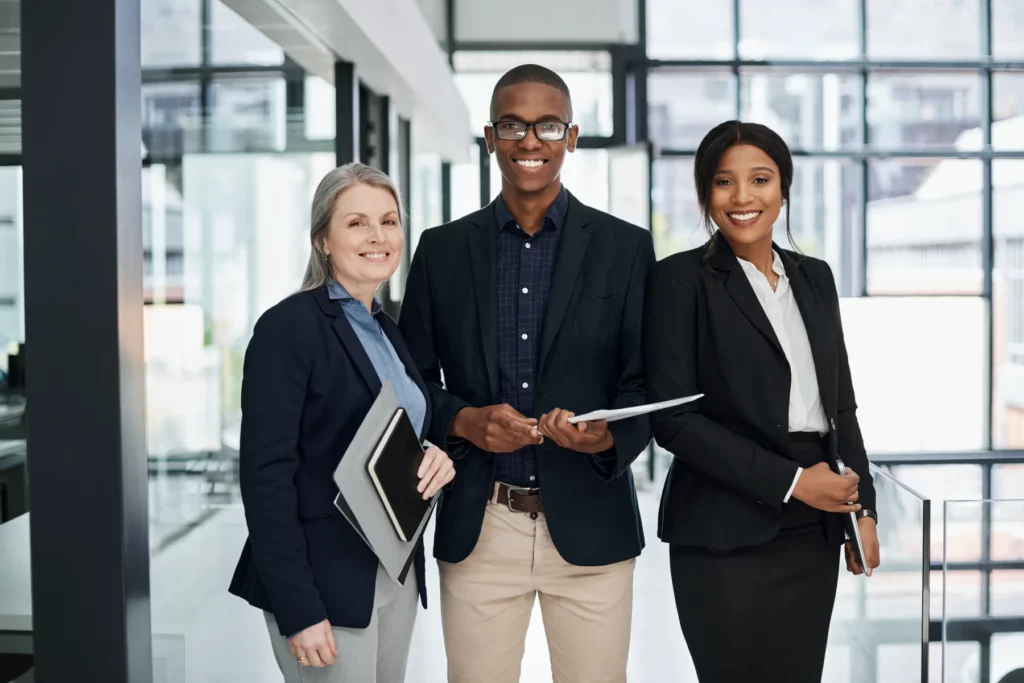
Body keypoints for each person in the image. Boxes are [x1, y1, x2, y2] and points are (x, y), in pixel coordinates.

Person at [398, 65, 655, 683]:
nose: (529, 141)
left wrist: (607, 439)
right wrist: (464, 419)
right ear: (490, 137)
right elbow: (406, 383)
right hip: (481, 524)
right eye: (512, 125)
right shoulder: (440, 250)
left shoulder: (626, 248)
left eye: (547, 125)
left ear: (572, 137)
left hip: (591, 527)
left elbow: (648, 384)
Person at [642, 120, 882, 683]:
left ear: (784, 188)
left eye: (760, 179)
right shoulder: (680, 281)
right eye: (724, 183)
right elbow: (674, 421)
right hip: (722, 533)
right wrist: (795, 481)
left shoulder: (814, 278)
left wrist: (862, 509)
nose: (743, 197)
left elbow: (840, 407)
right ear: (706, 194)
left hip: (813, 531)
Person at [228, 162, 455, 683]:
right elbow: (266, 478)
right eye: (357, 223)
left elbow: (399, 433)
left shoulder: (384, 328)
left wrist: (435, 453)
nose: (378, 236)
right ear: (322, 241)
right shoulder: (289, 328)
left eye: (389, 221)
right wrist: (298, 607)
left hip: (392, 567)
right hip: (322, 580)